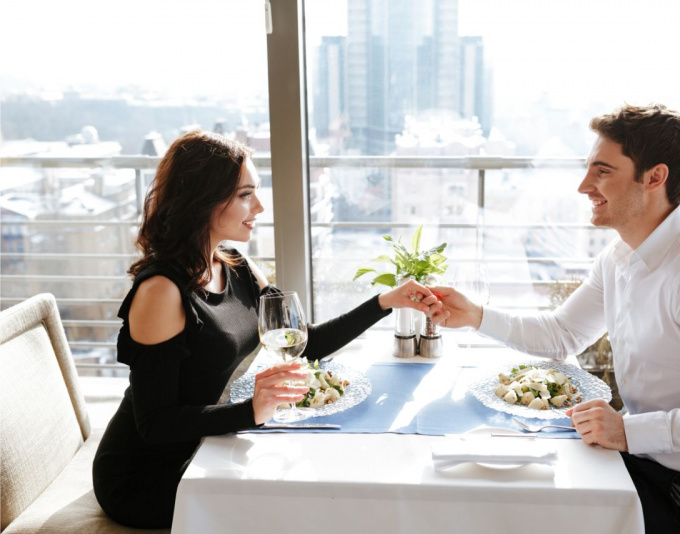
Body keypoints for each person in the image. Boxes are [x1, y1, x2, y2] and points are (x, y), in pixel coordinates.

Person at [429, 104, 680, 533]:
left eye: (602, 172)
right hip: (636, 463)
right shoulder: (620, 257)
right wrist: (476, 316)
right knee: (484, 488)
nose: (584, 186)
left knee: (507, 513)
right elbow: (562, 334)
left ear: (654, 178)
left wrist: (630, 432)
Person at [92, 130, 441, 529]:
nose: (259, 205)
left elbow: (305, 343)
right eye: (245, 195)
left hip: (210, 444)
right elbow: (155, 425)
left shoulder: (235, 265)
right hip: (150, 475)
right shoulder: (162, 292)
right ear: (202, 199)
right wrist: (251, 411)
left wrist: (385, 302)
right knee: (297, 505)